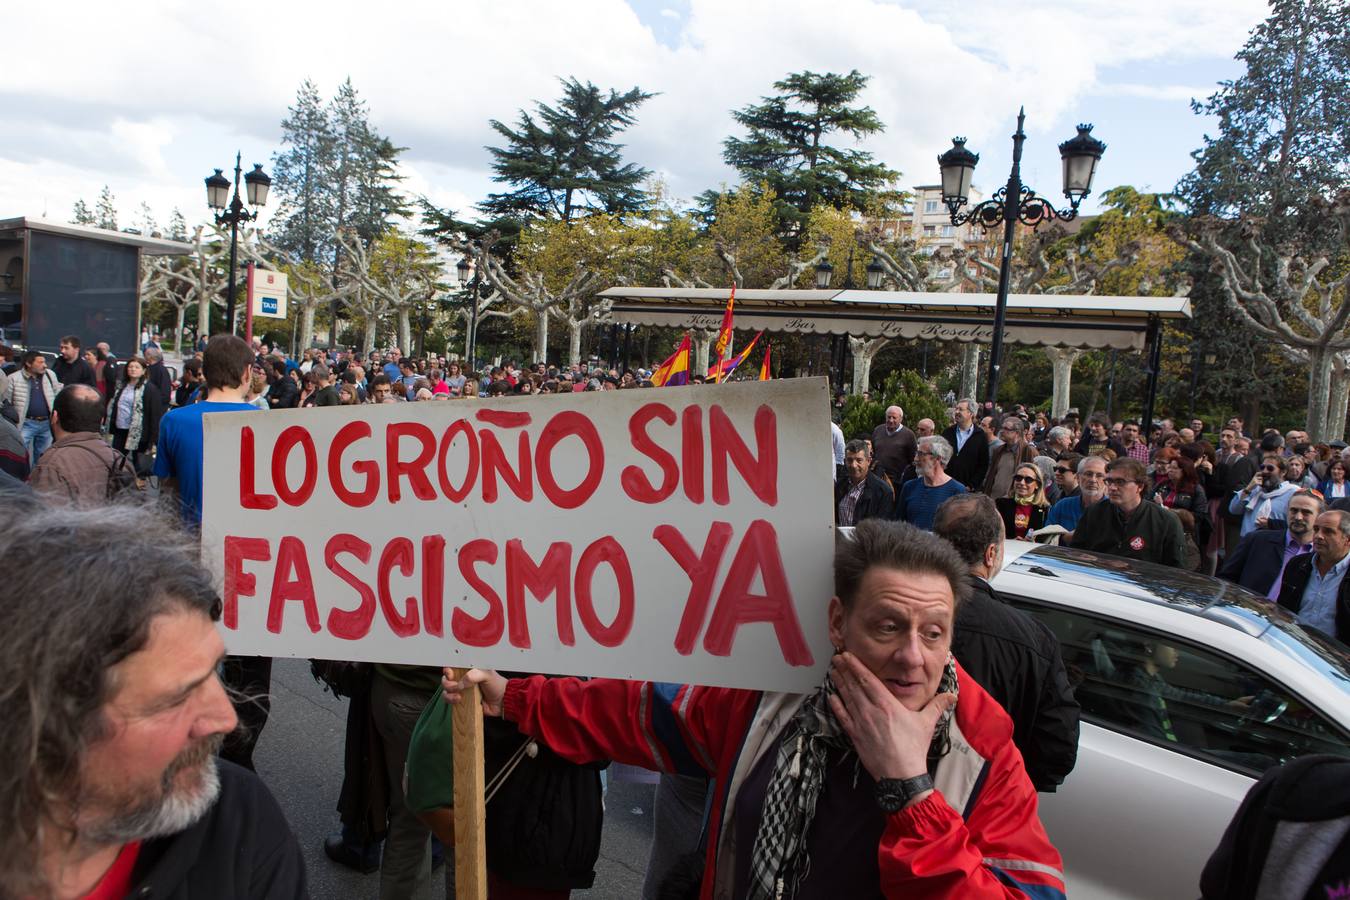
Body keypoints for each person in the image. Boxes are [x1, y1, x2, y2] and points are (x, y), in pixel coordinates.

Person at [443, 519, 1066, 899]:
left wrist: (911, 797)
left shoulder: (983, 752)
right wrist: (515, 696)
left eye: (934, 633)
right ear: (837, 624)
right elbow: (639, 713)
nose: (913, 656)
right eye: (888, 625)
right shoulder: (775, 693)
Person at [0, 505, 306, 898]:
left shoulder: (243, 825)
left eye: (216, 670)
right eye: (176, 698)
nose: (226, 719)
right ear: (41, 726)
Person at [153, 335, 272, 772]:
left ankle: (193, 754)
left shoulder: (175, 422)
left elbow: (165, 497)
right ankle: (238, 762)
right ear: (246, 374)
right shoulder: (267, 425)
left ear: (203, 372)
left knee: (198, 663)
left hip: (192, 564)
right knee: (251, 674)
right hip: (253, 569)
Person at [932, 493, 1080, 793]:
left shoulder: (892, 616)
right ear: (990, 555)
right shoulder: (1034, 639)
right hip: (986, 804)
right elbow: (1056, 750)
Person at [1072, 457, 1186, 567]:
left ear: (1139, 486)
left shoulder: (1165, 521)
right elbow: (1076, 553)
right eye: (1109, 481)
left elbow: (1175, 569)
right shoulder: (1094, 513)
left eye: (1120, 482)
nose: (1112, 487)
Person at [30, 384, 127, 507]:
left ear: (54, 417)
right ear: (101, 420)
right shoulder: (117, 458)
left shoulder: (51, 464)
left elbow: (40, 519)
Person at [1218, 489, 1321, 598]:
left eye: (1306, 513)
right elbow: (1225, 579)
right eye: (1294, 510)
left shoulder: (1320, 556)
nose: (1298, 517)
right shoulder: (1256, 540)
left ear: (1319, 517)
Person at [1275, 509, 1350, 644]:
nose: (1318, 536)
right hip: (1290, 646)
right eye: (1316, 529)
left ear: (1347, 539)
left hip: (1333, 659)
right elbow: (1283, 609)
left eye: (1328, 531)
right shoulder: (1297, 565)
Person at [107, 356, 167, 476]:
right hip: (121, 429)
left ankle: (139, 485)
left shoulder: (150, 389)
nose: (133, 369)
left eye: (136, 367)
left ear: (143, 370)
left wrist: (153, 439)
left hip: (139, 433)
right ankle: (117, 482)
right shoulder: (122, 386)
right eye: (130, 367)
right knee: (117, 460)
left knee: (138, 464)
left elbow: (154, 415)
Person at [4, 349, 62, 465]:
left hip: (46, 423)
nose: (44, 365)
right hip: (25, 423)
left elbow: (57, 393)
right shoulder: (13, 378)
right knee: (19, 454)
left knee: (42, 456)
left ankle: (37, 481)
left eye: (44, 362)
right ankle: (22, 479)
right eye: (40, 362)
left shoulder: (50, 375)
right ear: (28, 364)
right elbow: (7, 402)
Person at [896, 435, 966, 530]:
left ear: (937, 458)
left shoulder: (957, 491)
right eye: (916, 453)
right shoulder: (909, 487)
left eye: (921, 454)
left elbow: (959, 530)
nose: (915, 459)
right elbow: (898, 524)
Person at [1149, 454, 1210, 549]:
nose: (1169, 470)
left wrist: (1167, 509)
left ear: (1185, 471)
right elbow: (1147, 500)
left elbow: (1200, 515)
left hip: (1183, 532)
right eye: (1169, 467)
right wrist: (1154, 502)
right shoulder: (1162, 484)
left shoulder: (1196, 489)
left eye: (1174, 468)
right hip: (1159, 528)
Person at [1229, 454, 1298, 537]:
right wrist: (1248, 488)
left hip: (1274, 543)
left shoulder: (1293, 492)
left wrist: (1272, 524)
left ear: (1283, 472)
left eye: (1270, 468)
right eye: (1262, 467)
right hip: (1247, 542)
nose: (1265, 471)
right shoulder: (1254, 489)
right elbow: (1234, 509)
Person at [1045, 455, 1108, 541]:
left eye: (1099, 475)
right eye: (1088, 474)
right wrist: (1064, 538)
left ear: (1107, 480)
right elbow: (1046, 537)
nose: (1093, 480)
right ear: (1078, 477)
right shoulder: (1062, 506)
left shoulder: (1115, 510)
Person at [835, 439, 894, 527]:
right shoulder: (839, 486)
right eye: (850, 460)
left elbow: (882, 529)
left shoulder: (883, 492)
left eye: (859, 460)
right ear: (845, 461)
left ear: (868, 461)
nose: (854, 465)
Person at [941, 397, 989, 492]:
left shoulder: (980, 436)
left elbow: (983, 464)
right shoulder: (947, 433)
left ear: (971, 413)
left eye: (961, 409)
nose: (957, 412)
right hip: (945, 486)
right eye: (956, 409)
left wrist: (972, 485)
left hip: (966, 490)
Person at [982, 416, 1036, 500]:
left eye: (1006, 429)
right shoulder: (999, 450)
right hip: (993, 500)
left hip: (1013, 501)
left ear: (1017, 433)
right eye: (1002, 428)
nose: (1002, 431)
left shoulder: (1027, 451)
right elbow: (991, 476)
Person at [870, 405, 917, 494]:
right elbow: (873, 452)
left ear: (901, 419)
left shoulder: (909, 435)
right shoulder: (878, 430)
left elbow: (913, 459)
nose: (891, 420)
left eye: (894, 418)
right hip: (877, 477)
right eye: (889, 417)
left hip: (896, 481)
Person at [996, 463, 1050, 540]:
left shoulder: (1044, 509)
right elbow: (994, 532)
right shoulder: (1001, 504)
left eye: (1028, 480)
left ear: (1037, 485)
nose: (1022, 483)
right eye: (1018, 478)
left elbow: (1045, 538)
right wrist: (1011, 540)